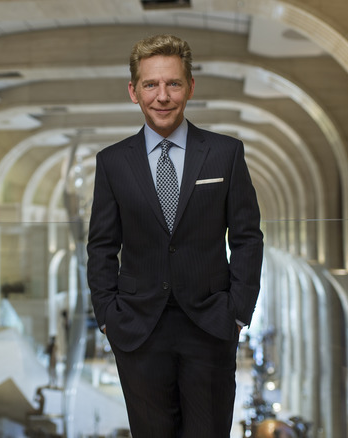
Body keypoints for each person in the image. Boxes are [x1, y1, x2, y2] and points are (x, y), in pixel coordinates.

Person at [86, 34, 264, 437]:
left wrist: (237, 311)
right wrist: (107, 317)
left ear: (190, 88)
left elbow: (247, 237)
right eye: (150, 85)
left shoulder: (225, 153)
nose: (162, 96)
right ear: (134, 91)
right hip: (137, 328)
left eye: (173, 84)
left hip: (211, 325)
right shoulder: (112, 162)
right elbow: (101, 246)